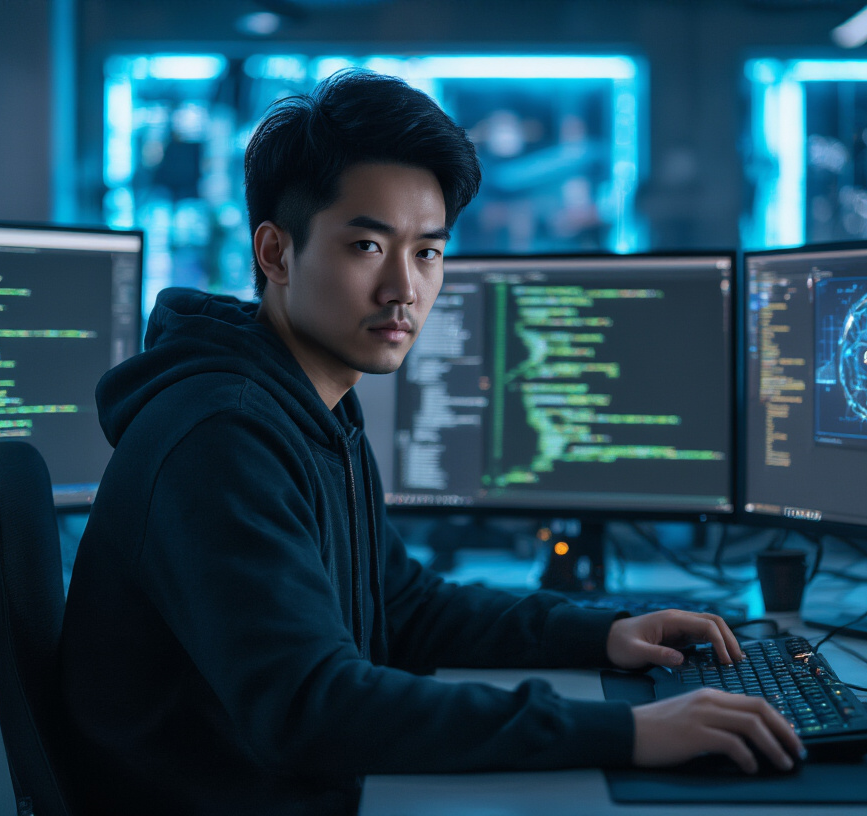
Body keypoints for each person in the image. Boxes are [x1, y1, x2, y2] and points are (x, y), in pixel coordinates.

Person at [59, 69, 802, 816]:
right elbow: (314, 709)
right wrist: (631, 731)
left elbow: (402, 607)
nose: (403, 291)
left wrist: (603, 633)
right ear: (275, 253)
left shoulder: (314, 403)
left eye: (427, 253)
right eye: (366, 247)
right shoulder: (220, 439)